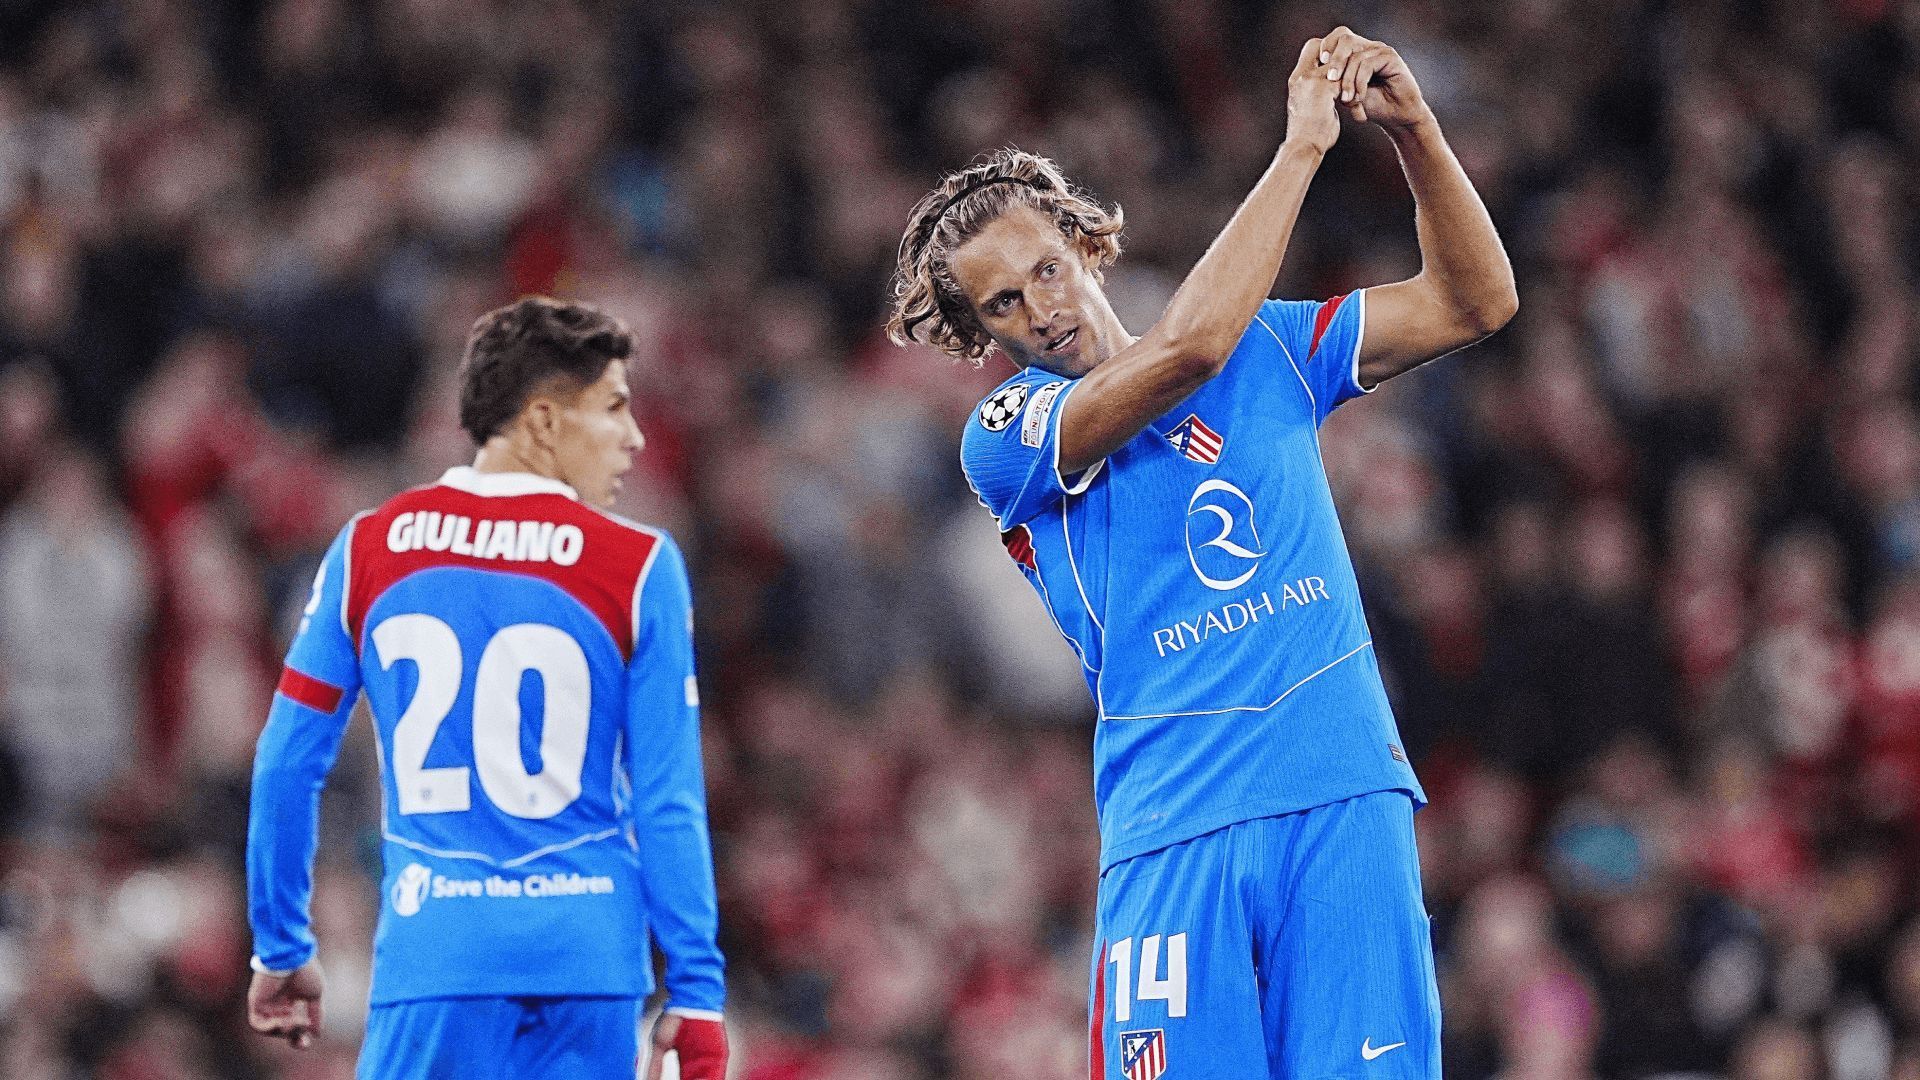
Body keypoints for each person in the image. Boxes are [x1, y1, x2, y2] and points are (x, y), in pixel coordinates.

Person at [887, 27, 1516, 1079]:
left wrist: (1414, 135)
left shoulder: (1275, 345)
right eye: (1002, 302)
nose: (1040, 310)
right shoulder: (1007, 438)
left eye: (1046, 267)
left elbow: (1475, 300)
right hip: (1178, 829)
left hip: (1342, 794)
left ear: (1088, 245)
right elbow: (1187, 350)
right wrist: (1303, 146)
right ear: (977, 332)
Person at [244, 297, 729, 1080]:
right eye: (611, 408)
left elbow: (285, 762)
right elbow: (668, 798)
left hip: (437, 954)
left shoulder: (368, 548)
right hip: (589, 959)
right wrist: (697, 992)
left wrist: (282, 943)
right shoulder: (640, 566)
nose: (635, 437)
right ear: (543, 421)